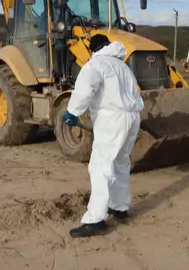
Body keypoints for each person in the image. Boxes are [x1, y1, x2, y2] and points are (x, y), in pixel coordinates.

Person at [62, 34, 145, 238]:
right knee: (120, 162)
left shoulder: (96, 64)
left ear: (92, 50)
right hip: (133, 117)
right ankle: (120, 206)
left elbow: (85, 88)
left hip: (112, 119)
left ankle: (95, 219)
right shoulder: (123, 67)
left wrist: (72, 111)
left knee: (100, 166)